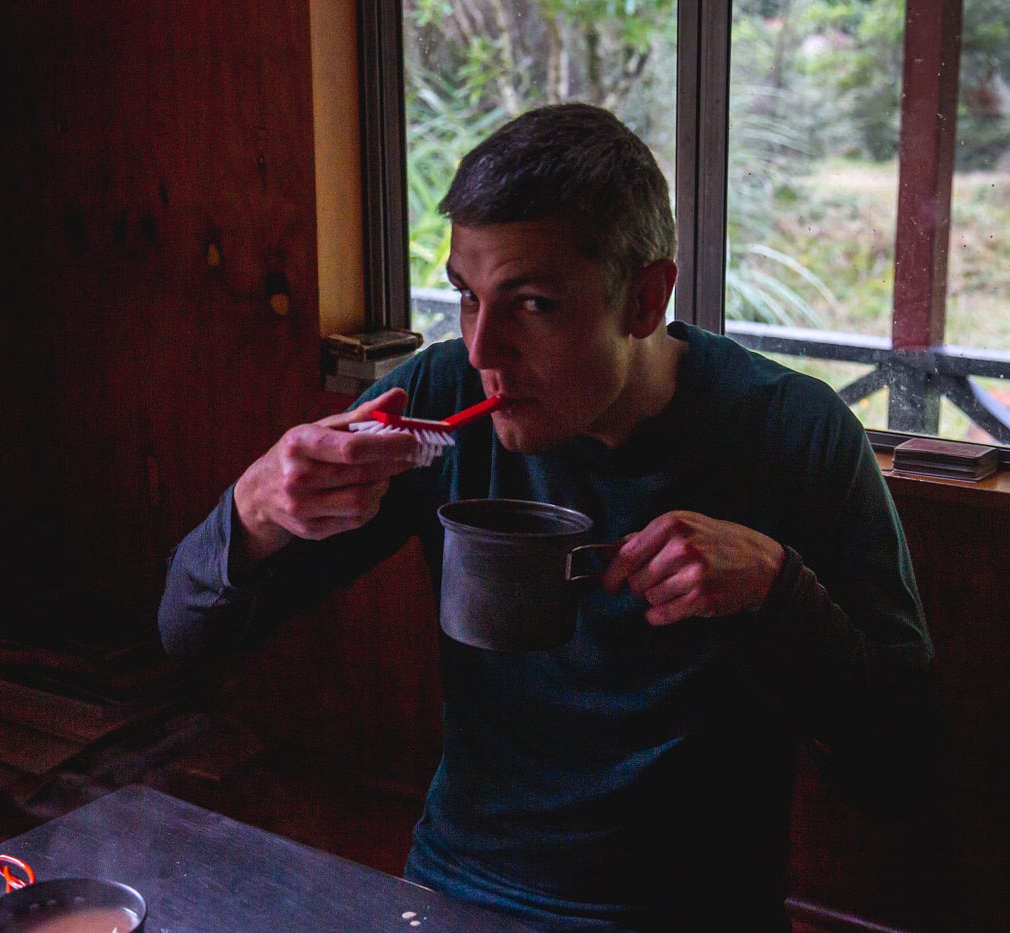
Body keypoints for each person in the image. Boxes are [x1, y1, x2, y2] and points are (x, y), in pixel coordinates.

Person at [159, 102, 935, 932]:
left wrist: (781, 593)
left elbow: (903, 767)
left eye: (531, 304)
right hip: (460, 890)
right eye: (466, 295)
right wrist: (256, 509)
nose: (483, 349)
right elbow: (187, 633)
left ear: (644, 298)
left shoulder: (795, 435)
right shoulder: (440, 401)